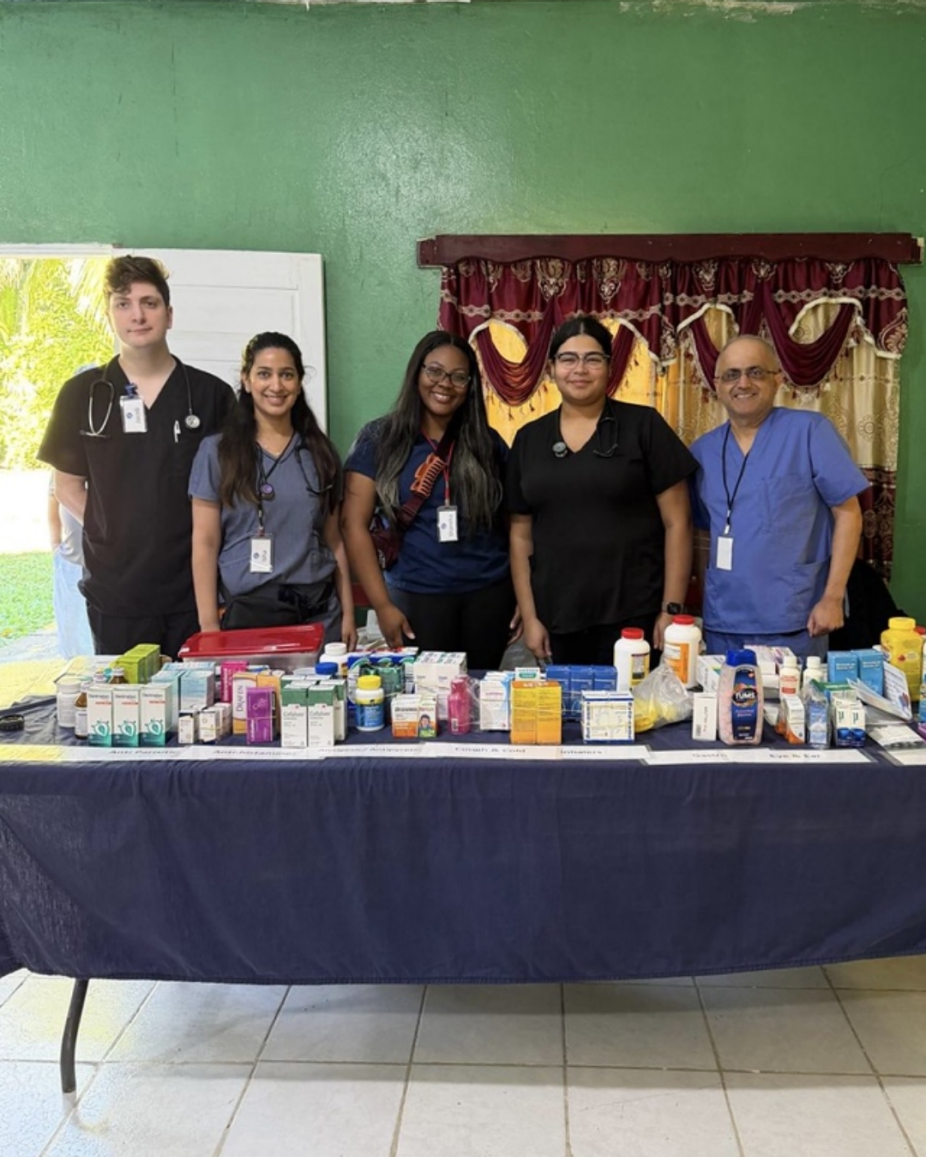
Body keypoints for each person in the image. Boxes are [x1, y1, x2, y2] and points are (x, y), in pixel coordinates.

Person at [38, 255, 234, 659]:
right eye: (123, 304)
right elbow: (67, 486)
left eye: (149, 303)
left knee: (200, 696)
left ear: (169, 314)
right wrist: (112, 531)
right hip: (117, 590)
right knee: (127, 696)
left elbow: (233, 488)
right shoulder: (82, 394)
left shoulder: (211, 395)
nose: (137, 315)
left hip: (194, 589)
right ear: (109, 315)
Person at [507, 316, 696, 665]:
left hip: (634, 615)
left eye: (592, 359)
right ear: (551, 368)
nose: (580, 369)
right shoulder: (529, 439)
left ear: (610, 367)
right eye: (568, 359)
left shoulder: (644, 426)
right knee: (567, 701)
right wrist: (531, 617)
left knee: (635, 701)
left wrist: (671, 608)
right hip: (557, 614)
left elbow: (678, 523)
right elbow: (520, 536)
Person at [341, 331, 514, 669]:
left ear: (470, 386)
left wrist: (522, 597)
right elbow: (352, 525)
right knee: (425, 696)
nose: (444, 384)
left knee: (481, 693)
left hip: (489, 595)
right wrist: (382, 606)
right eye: (434, 371)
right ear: (416, 372)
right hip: (415, 597)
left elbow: (514, 524)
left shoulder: (487, 442)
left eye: (458, 377)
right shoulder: (379, 438)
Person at [690, 333, 868, 660]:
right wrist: (705, 603)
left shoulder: (810, 432)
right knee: (723, 694)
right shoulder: (703, 451)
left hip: (797, 617)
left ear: (778, 380)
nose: (743, 383)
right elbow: (703, 534)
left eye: (756, 372)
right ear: (717, 385)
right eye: (731, 374)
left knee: (794, 696)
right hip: (723, 621)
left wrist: (832, 597)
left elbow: (848, 513)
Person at [189, 332, 354, 645]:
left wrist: (347, 614)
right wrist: (208, 626)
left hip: (318, 619)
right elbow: (205, 542)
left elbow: (334, 540)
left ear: (299, 383)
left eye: (286, 375)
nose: (276, 386)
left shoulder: (320, 453)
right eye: (264, 374)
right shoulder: (217, 452)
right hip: (248, 619)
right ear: (246, 380)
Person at [47, 474, 93, 658]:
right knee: (74, 636)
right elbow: (53, 500)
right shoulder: (64, 466)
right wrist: (55, 544)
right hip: (72, 564)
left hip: (108, 565)